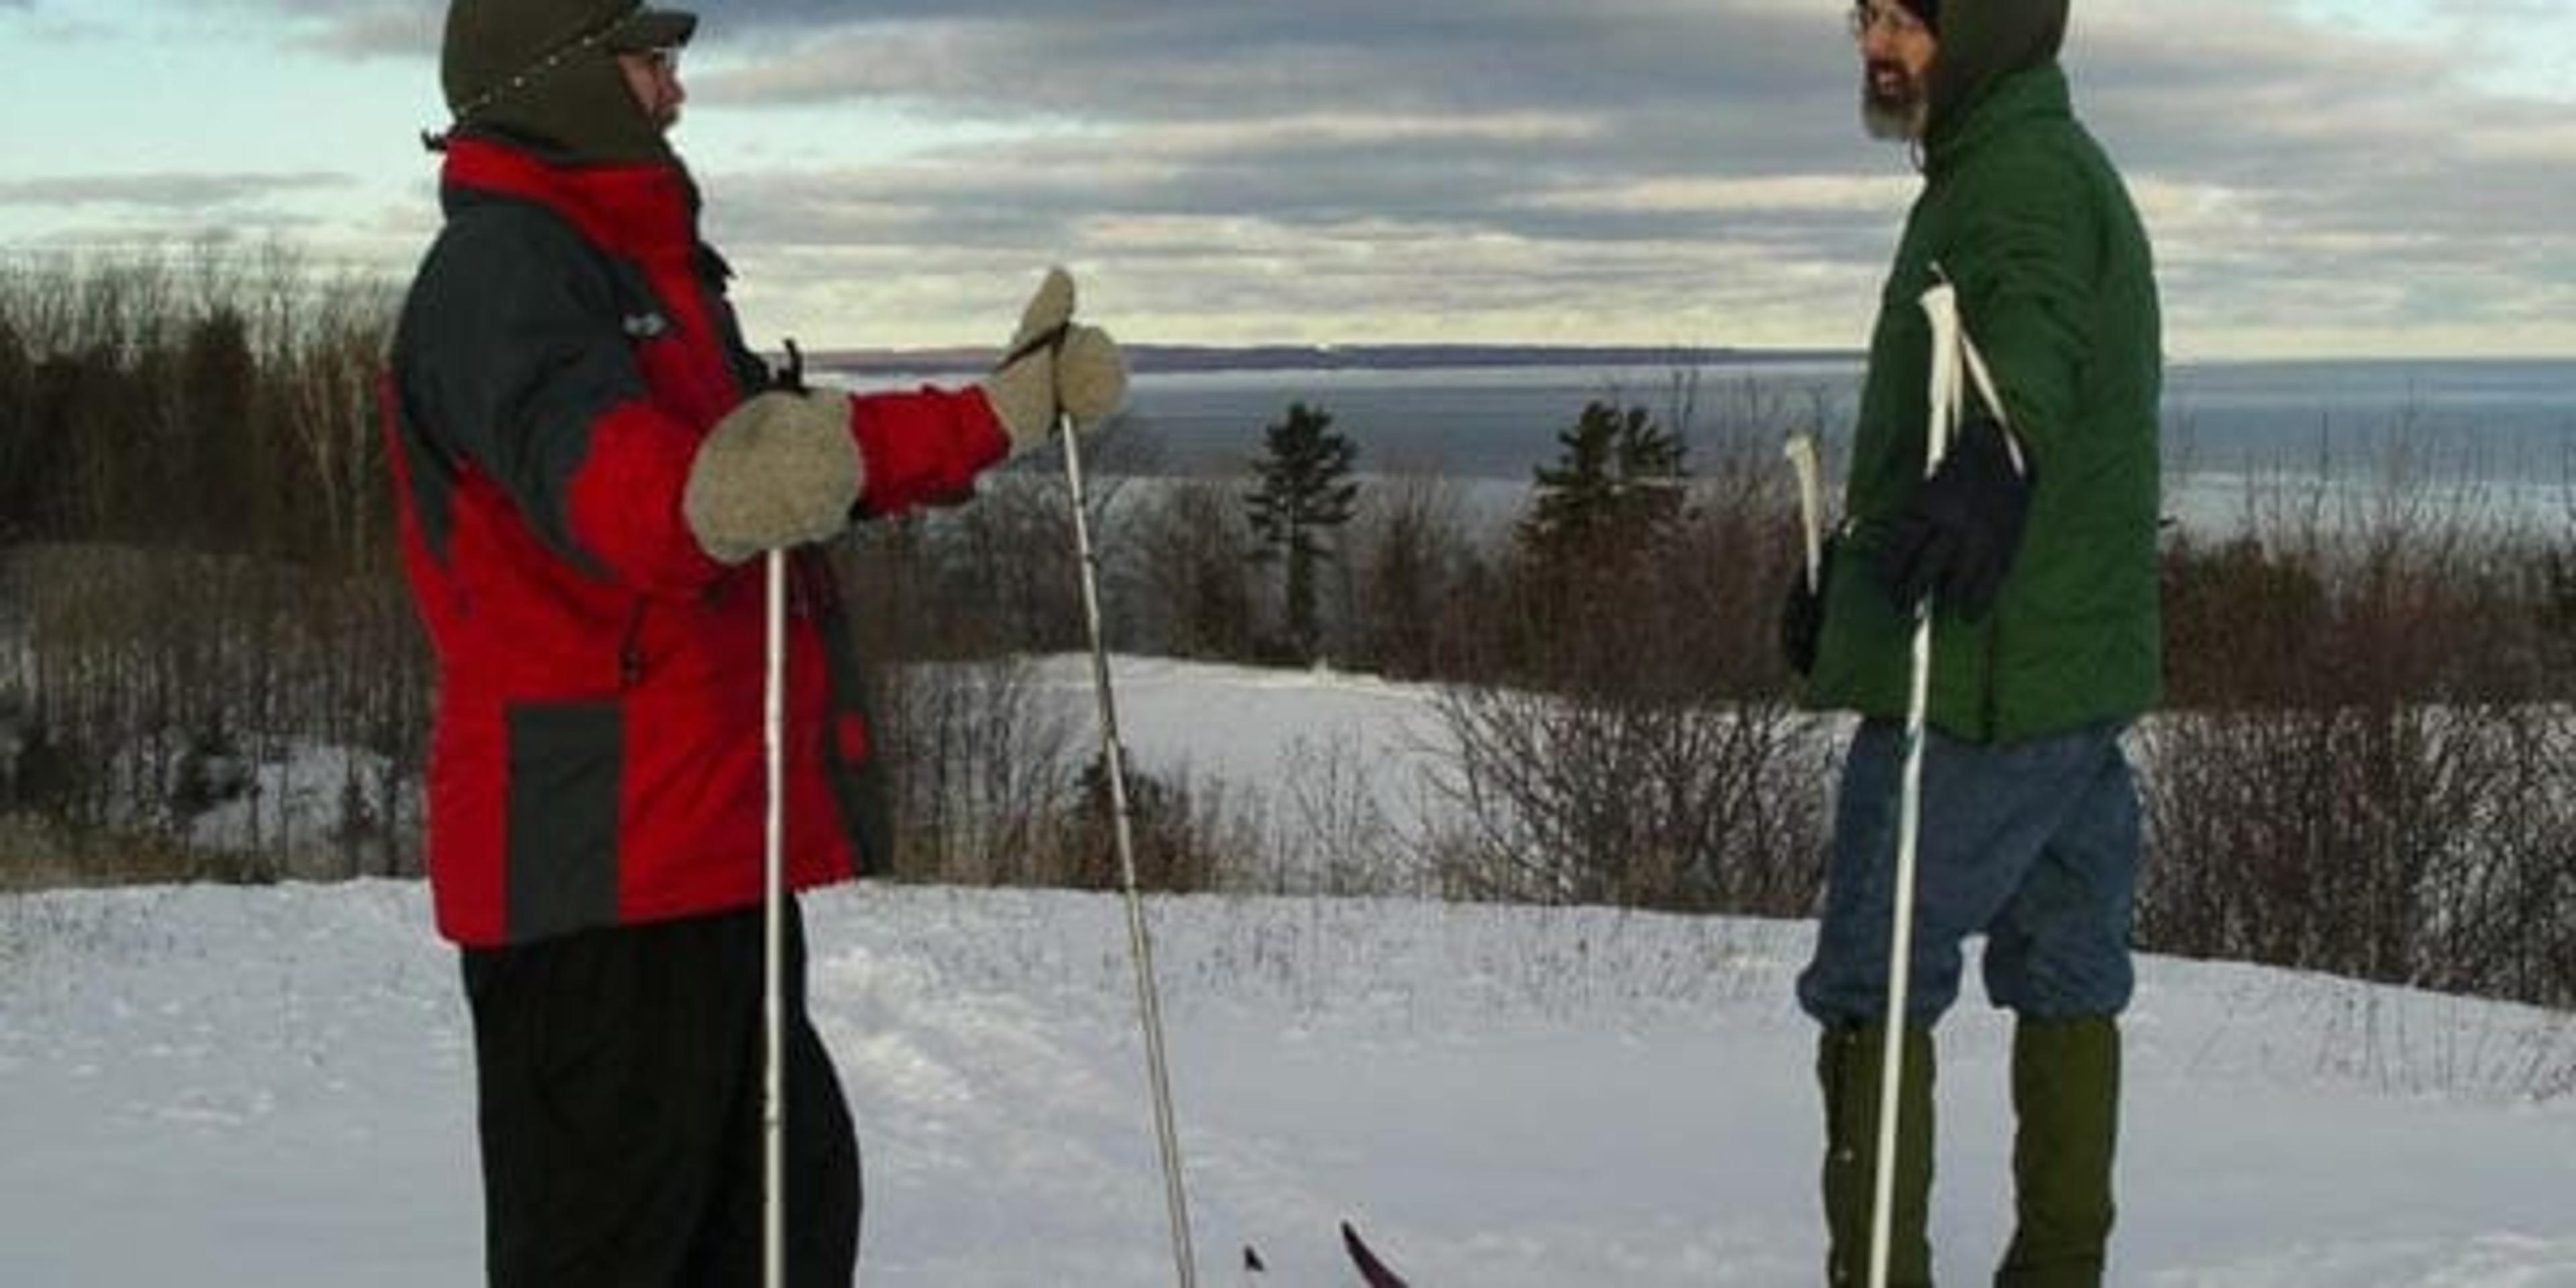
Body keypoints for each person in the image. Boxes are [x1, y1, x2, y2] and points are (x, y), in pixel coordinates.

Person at [382, 2, 1126, 1283]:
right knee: (623, 1250)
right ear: (563, 79)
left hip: (708, 845)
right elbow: (621, 485)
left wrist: (1001, 415)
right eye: (649, 62)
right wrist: (704, 494)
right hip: (595, 870)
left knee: (787, 1225)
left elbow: (786, 457)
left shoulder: (641, 275)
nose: (676, 94)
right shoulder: (506, 273)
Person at [1782, 0, 2161, 1283]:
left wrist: (2001, 460)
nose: (1879, 45)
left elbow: (2034, 336)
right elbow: (1955, 418)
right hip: (2062, 666)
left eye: (1909, 19)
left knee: (1874, 971)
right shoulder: (2010, 160)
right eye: (1868, 16)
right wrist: (1850, 599)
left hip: (1989, 678)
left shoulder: (2022, 181)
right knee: (2064, 961)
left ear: (1987, 27)